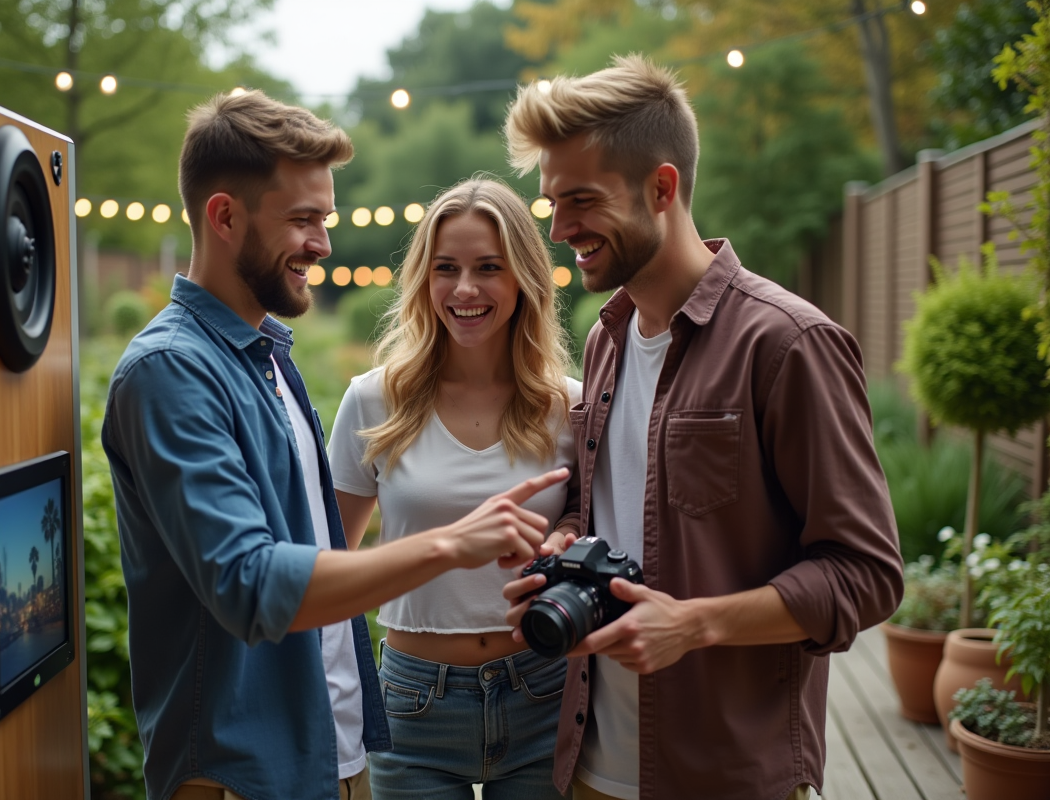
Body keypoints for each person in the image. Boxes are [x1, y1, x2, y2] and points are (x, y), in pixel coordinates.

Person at [101, 91, 567, 800]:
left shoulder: (265, 357)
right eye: (303, 220)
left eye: (325, 219)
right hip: (245, 769)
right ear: (224, 216)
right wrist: (451, 543)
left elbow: (326, 563)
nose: (322, 243)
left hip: (328, 751)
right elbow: (249, 581)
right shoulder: (172, 369)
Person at [500, 55, 905, 800]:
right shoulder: (606, 339)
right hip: (588, 768)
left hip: (725, 774)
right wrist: (568, 546)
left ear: (662, 187)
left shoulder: (786, 343)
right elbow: (619, 514)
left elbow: (867, 575)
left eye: (580, 200)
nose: (559, 229)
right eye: (552, 204)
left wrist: (694, 624)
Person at [328, 178, 580, 799]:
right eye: (446, 268)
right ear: (424, 278)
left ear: (523, 278)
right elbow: (327, 569)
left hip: (543, 691)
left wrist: (567, 533)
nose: (464, 289)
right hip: (413, 702)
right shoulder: (373, 400)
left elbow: (595, 527)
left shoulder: (570, 407)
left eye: (488, 268)